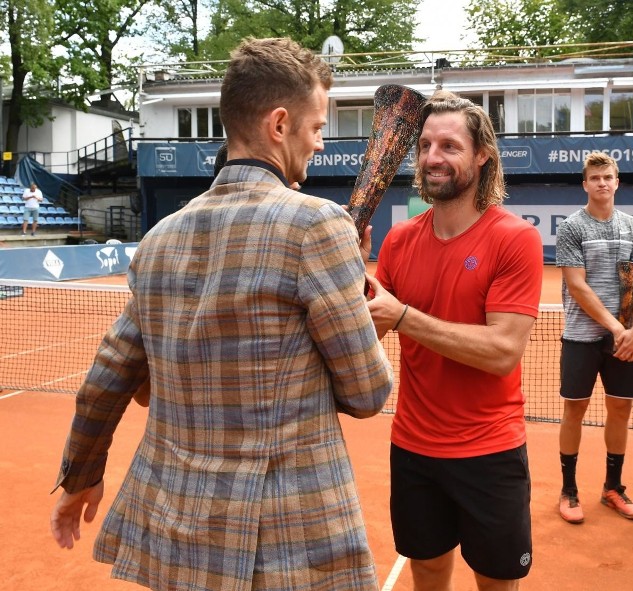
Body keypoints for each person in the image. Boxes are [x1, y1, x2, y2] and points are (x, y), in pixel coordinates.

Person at [49, 36, 395, 591]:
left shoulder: (158, 239)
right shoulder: (317, 226)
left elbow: (107, 376)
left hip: (176, 533)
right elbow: (367, 392)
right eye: (316, 128)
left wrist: (81, 475)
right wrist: (352, 296)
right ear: (279, 125)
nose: (321, 145)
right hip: (286, 543)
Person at [365, 91, 544, 591]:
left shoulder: (514, 239)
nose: (432, 158)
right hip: (414, 448)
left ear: (481, 155)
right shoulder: (398, 241)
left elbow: (502, 351)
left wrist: (403, 316)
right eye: (424, 146)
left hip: (489, 451)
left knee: (495, 582)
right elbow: (369, 332)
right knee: (428, 576)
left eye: (449, 146)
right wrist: (347, 269)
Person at [554, 151, 633, 525]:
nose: (602, 183)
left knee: (620, 409)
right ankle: (569, 490)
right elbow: (577, 286)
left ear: (617, 182)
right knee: (574, 409)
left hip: (625, 338)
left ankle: (613, 487)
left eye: (608, 177)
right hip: (582, 336)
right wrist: (617, 328)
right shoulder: (572, 227)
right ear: (585, 184)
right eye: (595, 178)